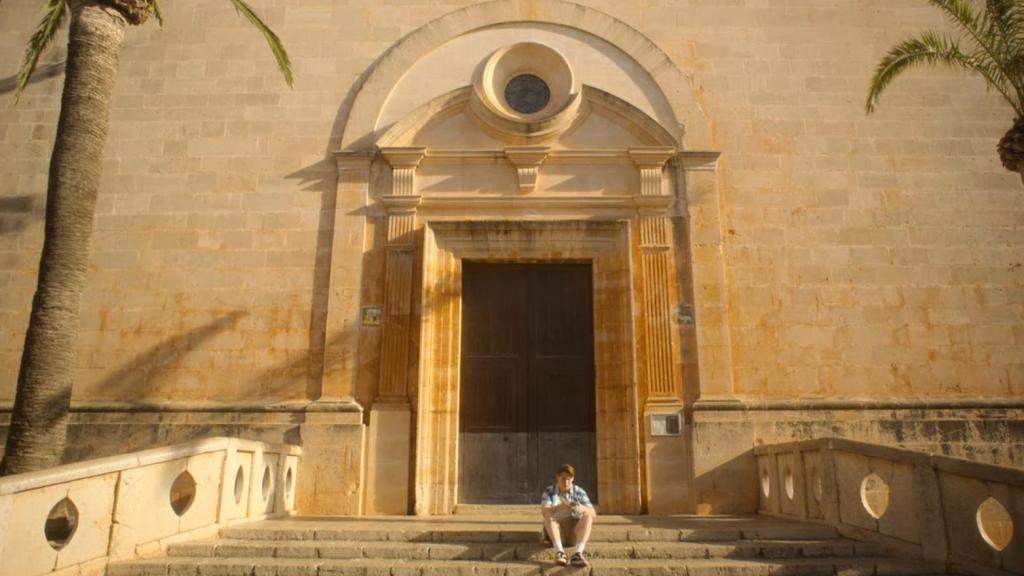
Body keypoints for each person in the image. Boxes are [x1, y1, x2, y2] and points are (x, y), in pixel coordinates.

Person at [540, 463, 596, 567]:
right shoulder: (549, 491)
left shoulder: (579, 491)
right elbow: (544, 510)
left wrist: (581, 508)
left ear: (573, 479)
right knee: (548, 515)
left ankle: (578, 554)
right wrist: (561, 507)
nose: (566, 482)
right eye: (563, 478)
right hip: (557, 532)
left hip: (573, 533)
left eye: (568, 479)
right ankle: (560, 553)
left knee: (588, 516)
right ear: (557, 477)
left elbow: (593, 513)